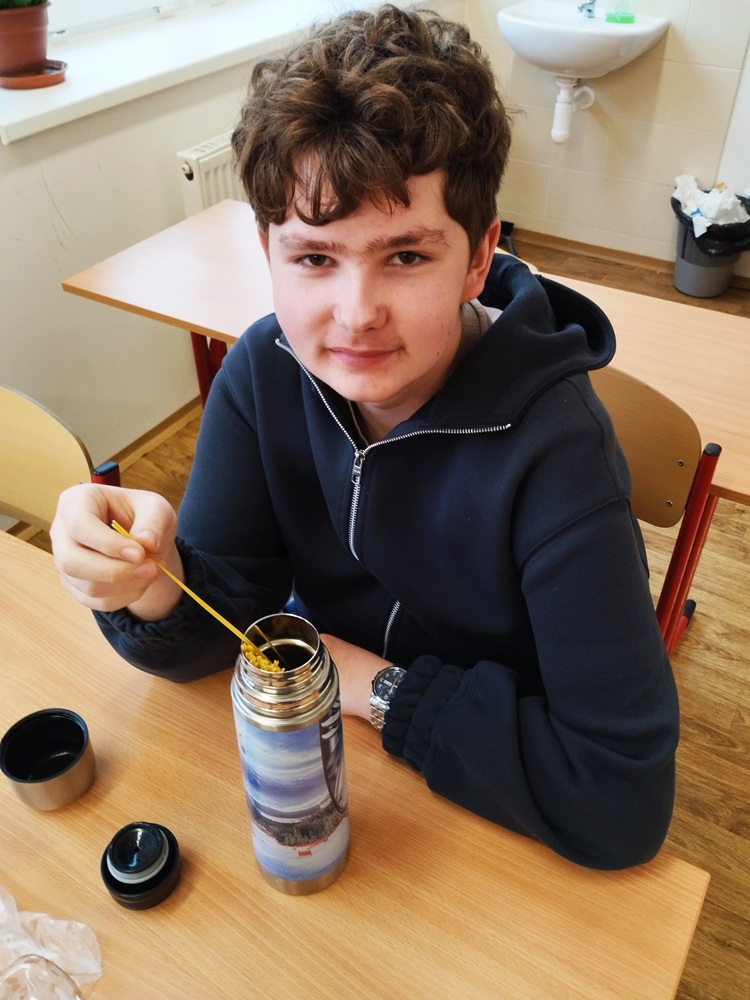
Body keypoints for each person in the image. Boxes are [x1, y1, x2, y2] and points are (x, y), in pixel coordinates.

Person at [51, 4, 678, 870]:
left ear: (479, 257)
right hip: (336, 756)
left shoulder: (560, 456)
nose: (355, 314)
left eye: (406, 257)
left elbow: (619, 798)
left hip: (484, 796)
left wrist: (368, 684)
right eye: (314, 258)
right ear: (267, 252)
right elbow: (225, 626)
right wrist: (152, 584)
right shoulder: (265, 371)